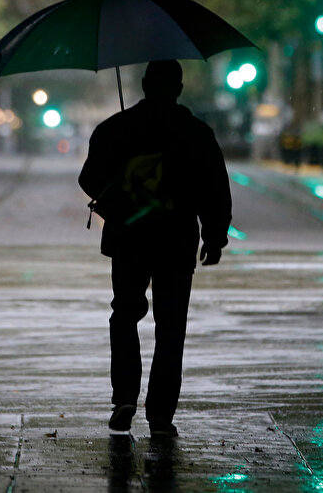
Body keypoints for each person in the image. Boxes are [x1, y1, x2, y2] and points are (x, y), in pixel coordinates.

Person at [79, 59, 232, 436]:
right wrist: (215, 236)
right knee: (171, 325)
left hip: (128, 238)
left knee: (125, 314)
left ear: (144, 85)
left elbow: (89, 178)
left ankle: (124, 399)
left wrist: (118, 195)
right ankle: (161, 413)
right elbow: (215, 189)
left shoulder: (115, 129)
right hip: (176, 240)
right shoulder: (196, 132)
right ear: (179, 88)